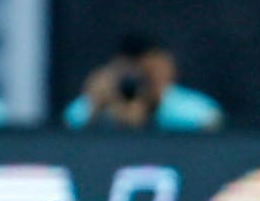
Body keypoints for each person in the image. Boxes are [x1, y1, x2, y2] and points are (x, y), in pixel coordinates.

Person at [65, 33, 222, 131]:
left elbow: (210, 122)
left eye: (147, 72)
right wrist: (98, 110)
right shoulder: (94, 102)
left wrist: (153, 108)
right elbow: (72, 121)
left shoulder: (186, 106)